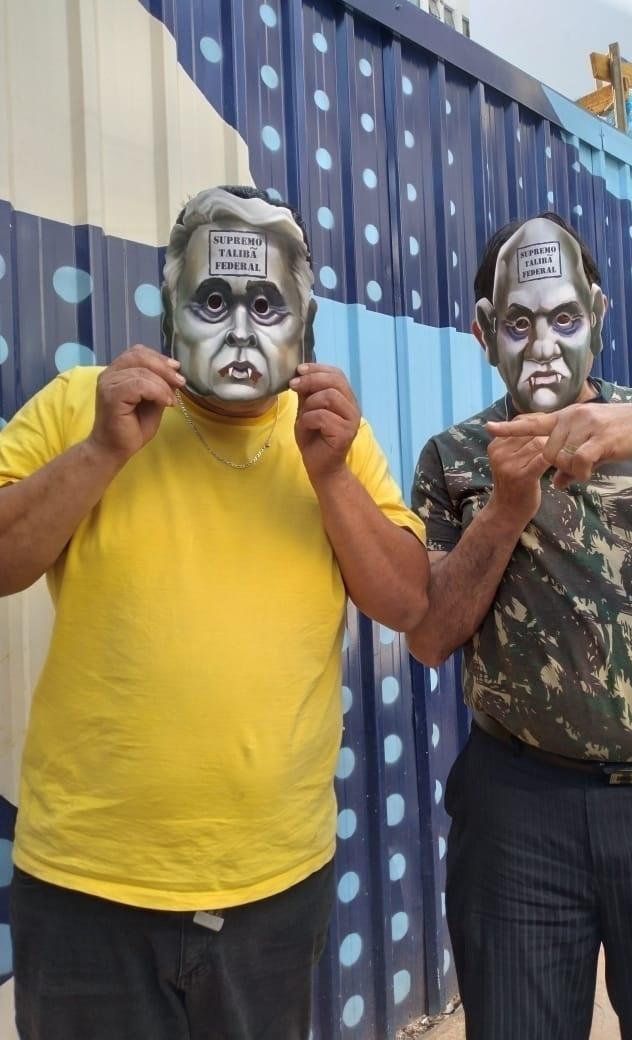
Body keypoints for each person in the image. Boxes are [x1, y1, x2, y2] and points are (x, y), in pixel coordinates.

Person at [0, 185, 429, 1040]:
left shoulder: (334, 438)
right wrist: (102, 450)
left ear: (303, 316)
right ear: (172, 309)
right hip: (90, 886)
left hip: (271, 888)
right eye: (213, 301)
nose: (240, 332)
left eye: (265, 304)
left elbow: (408, 602)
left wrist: (334, 476)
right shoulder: (86, 402)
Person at [409, 212, 632, 1040]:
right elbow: (429, 636)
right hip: (519, 814)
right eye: (517, 322)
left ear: (599, 316)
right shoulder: (454, 457)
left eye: (564, 319)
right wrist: (505, 510)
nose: (542, 345)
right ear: (482, 333)